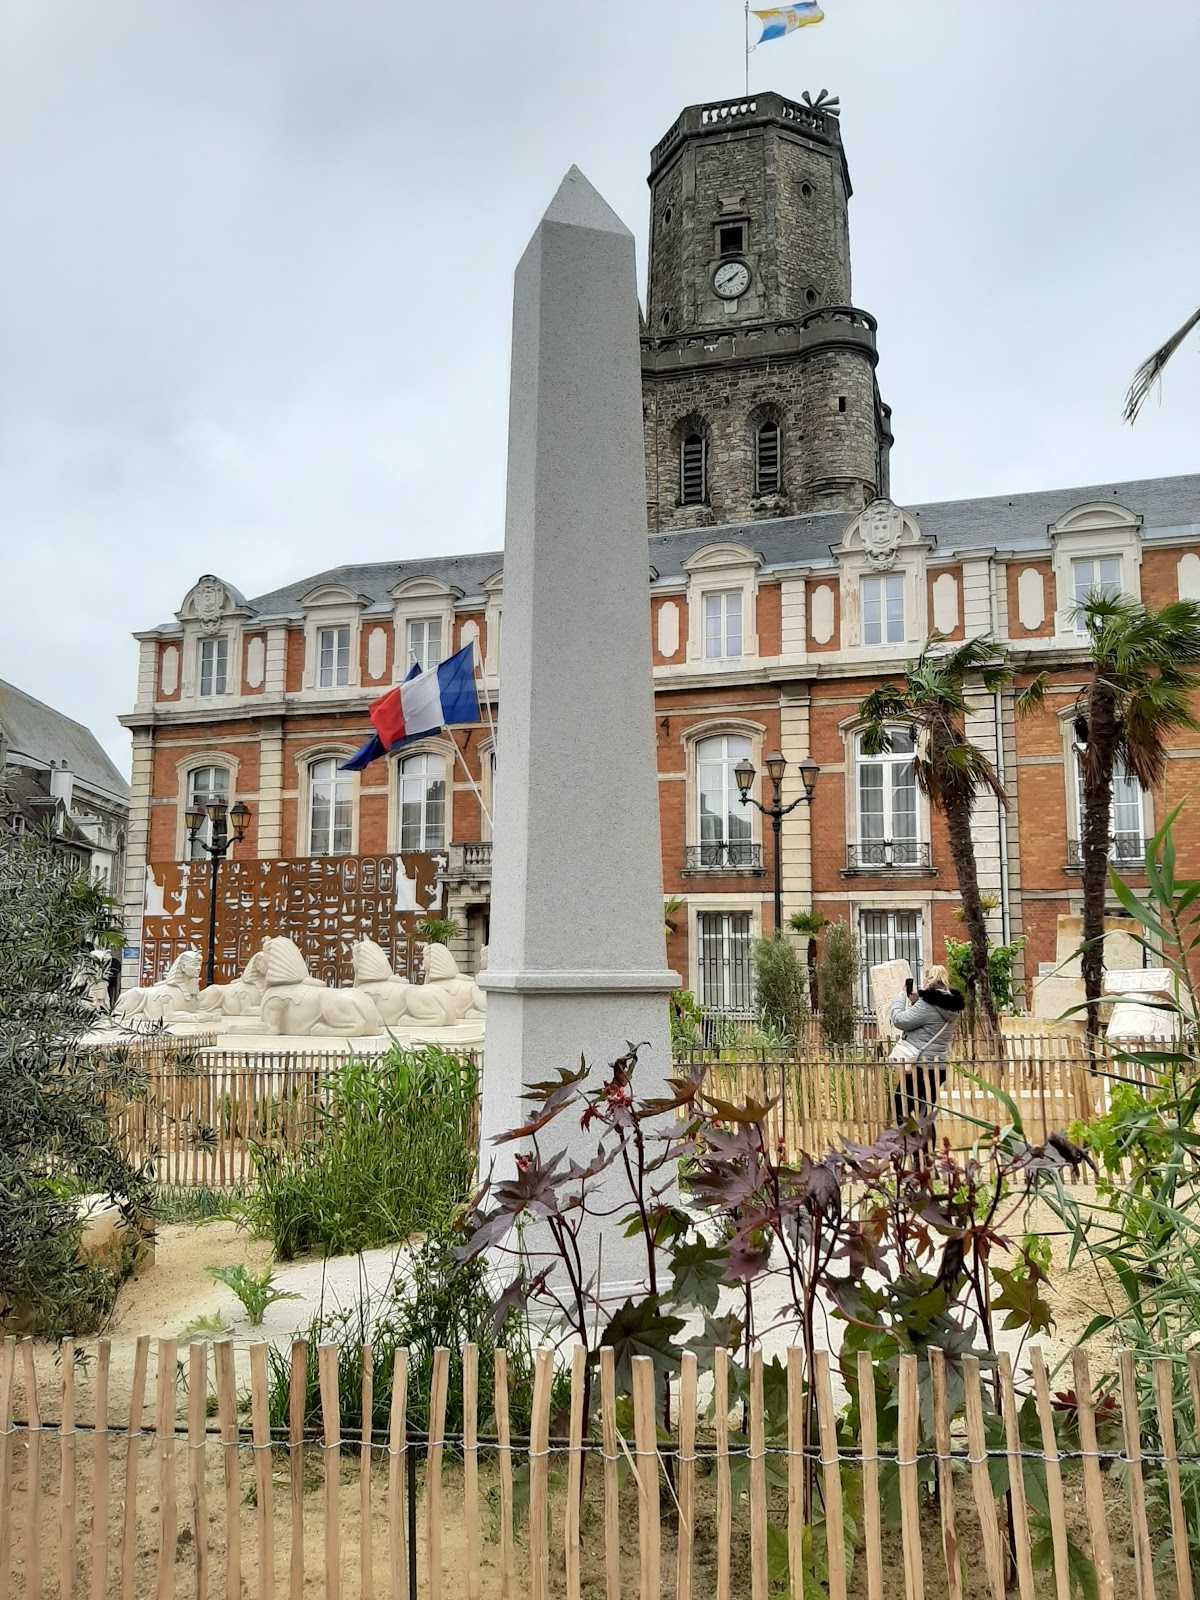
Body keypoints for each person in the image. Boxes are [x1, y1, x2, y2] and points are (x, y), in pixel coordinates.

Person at [889, 964, 964, 1129]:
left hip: (919, 1067)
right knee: (926, 1114)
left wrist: (900, 997)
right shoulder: (952, 1007)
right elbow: (931, 1020)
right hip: (937, 1067)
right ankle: (926, 1152)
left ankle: (915, 1149)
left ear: (929, 982)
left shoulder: (927, 1005)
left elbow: (900, 1020)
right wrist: (917, 1000)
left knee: (901, 1106)